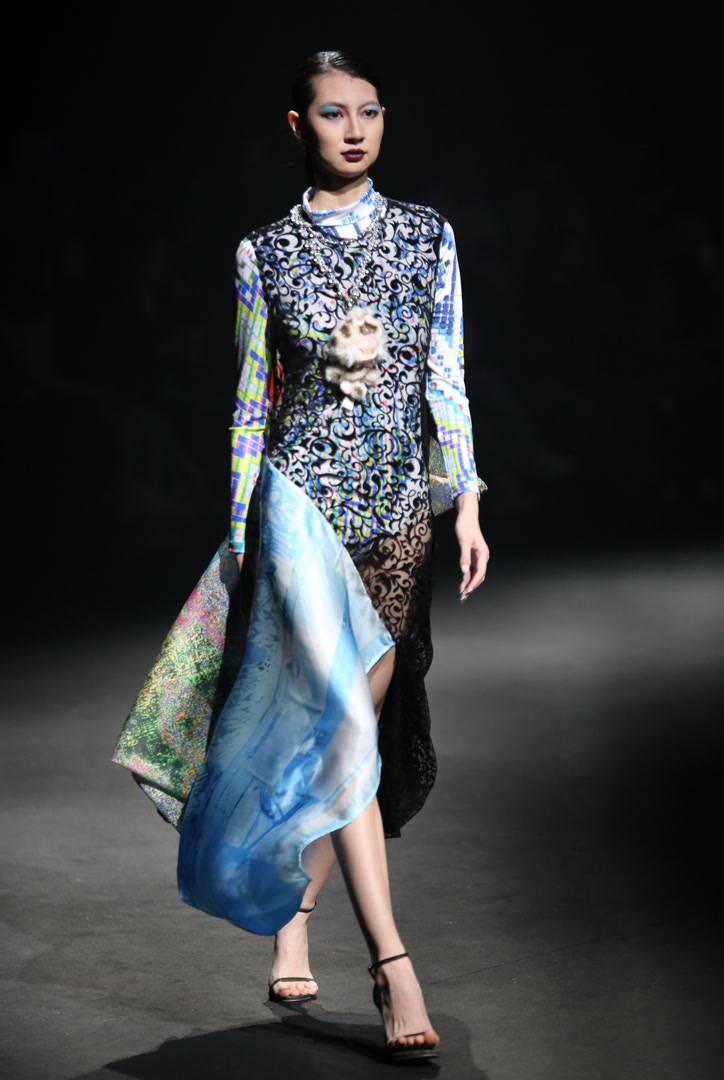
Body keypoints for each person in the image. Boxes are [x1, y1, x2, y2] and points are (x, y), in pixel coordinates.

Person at [112, 50, 489, 1064]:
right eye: (333, 113)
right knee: (343, 727)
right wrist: (245, 537)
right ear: (297, 125)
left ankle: (294, 914)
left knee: (342, 738)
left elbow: (444, 373)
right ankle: (392, 962)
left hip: (399, 513)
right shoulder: (263, 252)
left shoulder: (428, 235)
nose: (355, 130)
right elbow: (250, 399)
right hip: (300, 508)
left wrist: (465, 501)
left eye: (371, 110)